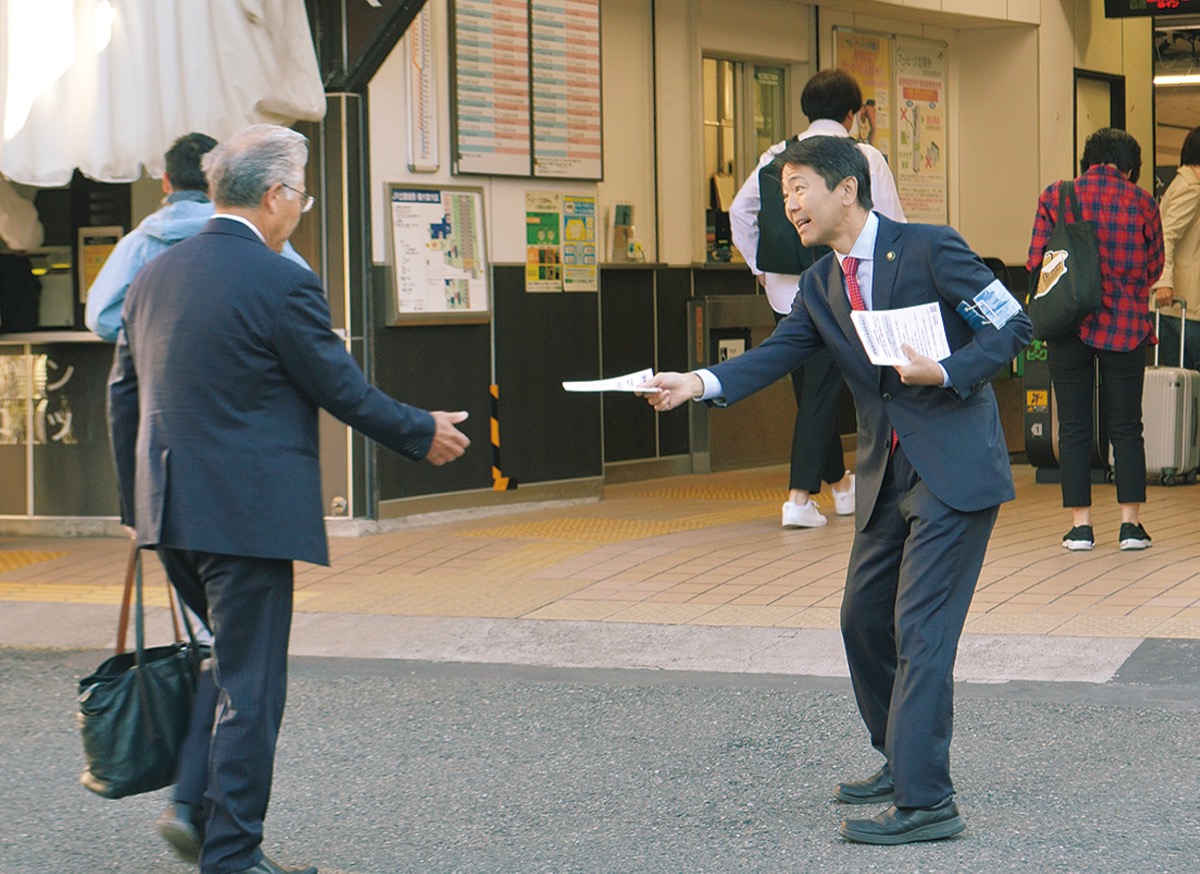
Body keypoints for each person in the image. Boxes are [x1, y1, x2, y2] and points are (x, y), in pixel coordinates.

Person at [641, 135, 1032, 845]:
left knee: (921, 631)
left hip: (952, 469)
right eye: (781, 193)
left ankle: (928, 804)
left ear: (846, 190)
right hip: (886, 475)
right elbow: (775, 355)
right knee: (860, 619)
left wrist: (946, 371)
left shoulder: (929, 247)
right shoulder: (822, 285)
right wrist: (697, 383)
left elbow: (1013, 325)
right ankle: (899, 756)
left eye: (797, 188)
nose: (787, 204)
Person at [108, 123, 471, 874]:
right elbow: (337, 385)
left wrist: (135, 506)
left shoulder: (152, 277)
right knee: (250, 685)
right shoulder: (281, 281)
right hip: (245, 519)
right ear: (273, 196)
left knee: (223, 663)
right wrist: (420, 430)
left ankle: (199, 814)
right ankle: (233, 855)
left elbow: (123, 398)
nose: (300, 209)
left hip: (166, 510)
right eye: (300, 195)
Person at [730, 68, 906, 530]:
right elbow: (893, 225)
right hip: (845, 289)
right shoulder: (864, 156)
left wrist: (762, 271)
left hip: (786, 291)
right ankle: (798, 497)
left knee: (813, 392)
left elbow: (738, 211)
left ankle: (841, 486)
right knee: (821, 396)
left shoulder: (777, 156)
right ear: (852, 115)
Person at [1027, 127, 1162, 552]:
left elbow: (1036, 260)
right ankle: (1130, 526)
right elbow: (1154, 266)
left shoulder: (1055, 196)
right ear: (1128, 168)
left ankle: (1081, 526)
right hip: (1125, 326)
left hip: (1070, 324)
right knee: (1126, 426)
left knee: (1073, 427)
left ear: (1088, 160)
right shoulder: (1142, 202)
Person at [85, 131, 308, 342]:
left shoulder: (137, 245)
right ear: (221, 179)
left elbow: (101, 318)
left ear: (165, 181)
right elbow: (302, 297)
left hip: (161, 374)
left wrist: (159, 336)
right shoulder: (254, 234)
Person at [1151, 126, 1200, 370]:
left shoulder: (1182, 184)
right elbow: (1166, 237)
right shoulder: (1192, 189)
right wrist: (1163, 282)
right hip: (1185, 305)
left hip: (1175, 307)